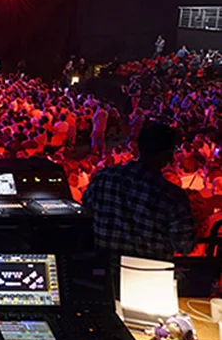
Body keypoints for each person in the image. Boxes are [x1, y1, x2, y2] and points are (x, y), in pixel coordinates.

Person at [82, 123, 196, 296]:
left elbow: (85, 215)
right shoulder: (171, 196)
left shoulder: (103, 177)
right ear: (167, 154)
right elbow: (184, 245)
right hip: (149, 282)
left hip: (102, 277)